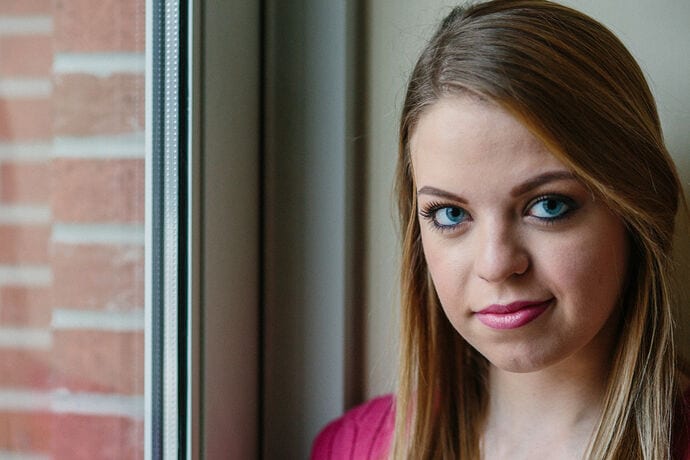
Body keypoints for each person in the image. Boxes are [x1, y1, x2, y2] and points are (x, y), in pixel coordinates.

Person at [312, 1, 690, 458]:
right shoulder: (351, 448)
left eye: (548, 206)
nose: (496, 265)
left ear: (640, 207)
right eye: (451, 214)